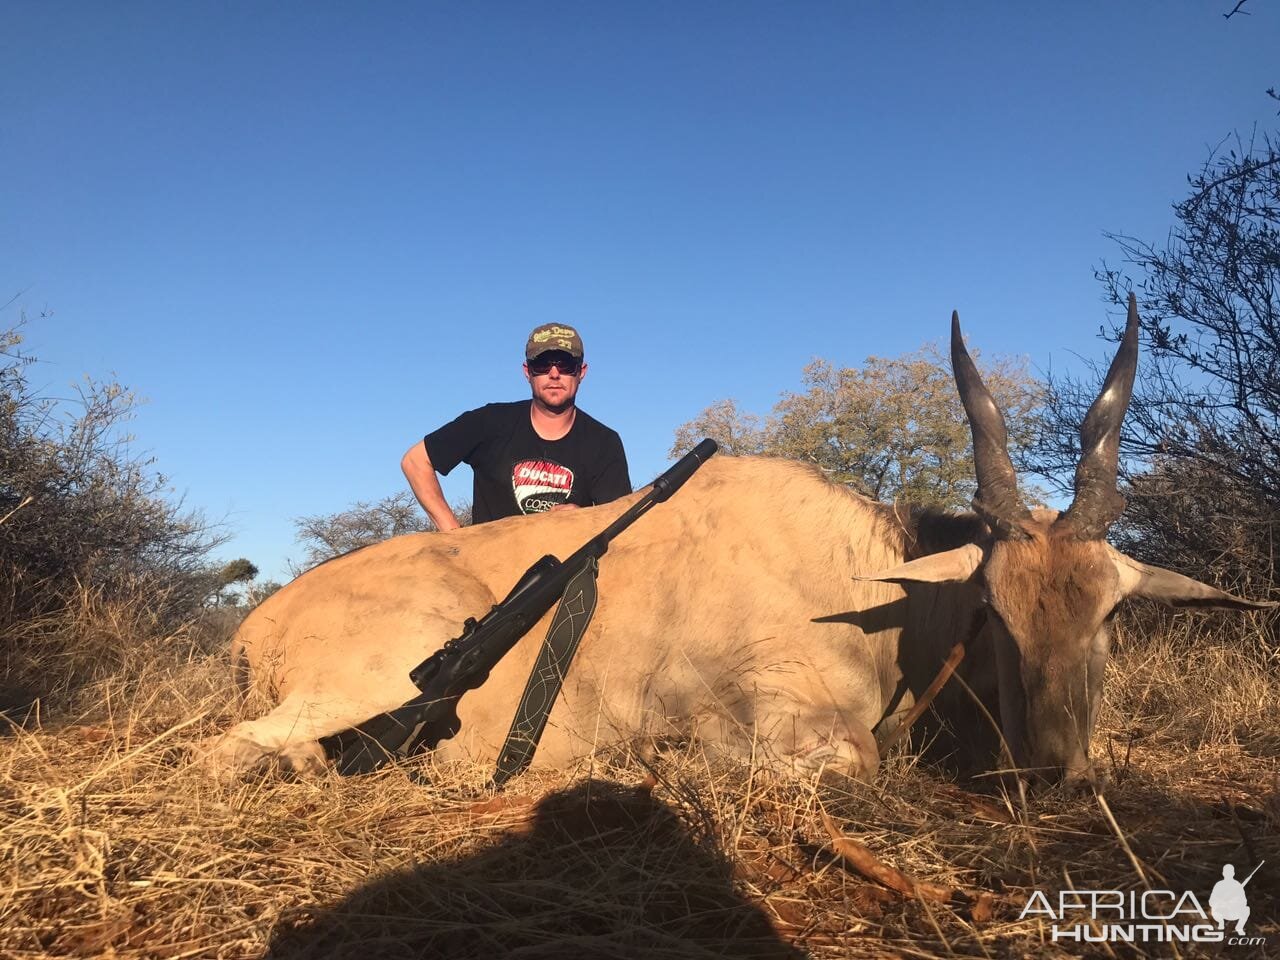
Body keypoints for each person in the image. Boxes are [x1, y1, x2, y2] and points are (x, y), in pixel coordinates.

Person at [402, 323, 631, 530]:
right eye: (542, 365)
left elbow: (619, 524)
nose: (553, 374)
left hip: (569, 572)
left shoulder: (604, 442)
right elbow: (415, 461)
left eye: (565, 365)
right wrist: (454, 537)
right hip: (488, 571)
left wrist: (585, 519)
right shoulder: (489, 421)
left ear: (581, 372)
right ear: (527, 372)